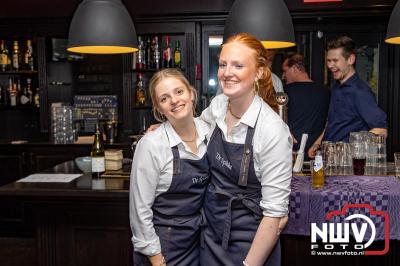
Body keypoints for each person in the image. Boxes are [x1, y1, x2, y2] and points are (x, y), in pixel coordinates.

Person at [200, 32, 292, 266]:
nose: (227, 72)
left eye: (238, 65)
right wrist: (163, 131)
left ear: (259, 72)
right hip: (211, 234)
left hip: (252, 242)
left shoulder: (272, 130)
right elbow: (196, 128)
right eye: (223, 64)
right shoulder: (218, 106)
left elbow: (275, 216)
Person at [129, 69, 210, 266]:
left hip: (197, 240)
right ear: (159, 108)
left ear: (191, 93)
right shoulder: (151, 144)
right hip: (163, 245)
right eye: (164, 98)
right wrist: (156, 259)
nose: (174, 100)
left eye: (179, 92)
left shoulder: (210, 131)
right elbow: (139, 210)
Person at [308, 36, 387, 158]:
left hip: (347, 165)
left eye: (335, 60)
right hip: (330, 160)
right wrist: (318, 143)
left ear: (350, 59)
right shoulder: (336, 87)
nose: (330, 65)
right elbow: (334, 122)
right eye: (328, 61)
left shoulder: (360, 92)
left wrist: (347, 151)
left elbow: (381, 130)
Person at [282, 52, 330, 160]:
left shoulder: (285, 92)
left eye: (285, 71)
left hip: (289, 152)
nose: (283, 76)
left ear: (294, 68)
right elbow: (330, 121)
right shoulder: (325, 91)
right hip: (316, 153)